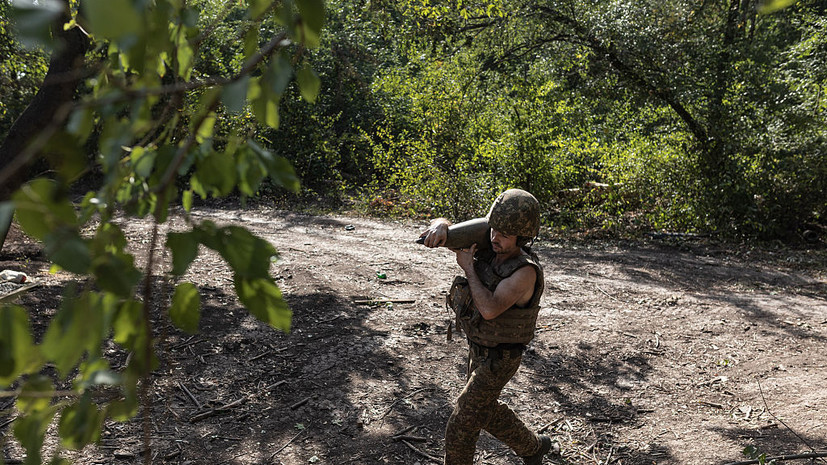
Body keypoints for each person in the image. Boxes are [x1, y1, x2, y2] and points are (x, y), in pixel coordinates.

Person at [420, 189, 558, 465]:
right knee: (484, 411)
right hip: (478, 349)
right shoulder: (491, 243)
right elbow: (450, 231)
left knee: (463, 423)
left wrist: (469, 269)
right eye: (494, 229)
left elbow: (490, 309)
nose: (495, 237)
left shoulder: (524, 271)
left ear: (522, 237)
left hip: (500, 358)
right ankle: (533, 448)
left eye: (505, 235)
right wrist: (440, 225)